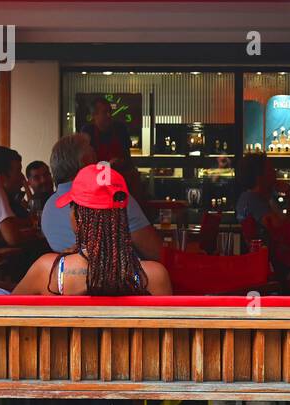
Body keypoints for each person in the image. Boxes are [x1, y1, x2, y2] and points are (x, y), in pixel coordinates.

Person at [13, 163, 171, 297]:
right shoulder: (154, 276)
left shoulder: (49, 271)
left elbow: (4, 311)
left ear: (79, 217)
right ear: (122, 216)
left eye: (71, 207)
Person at [41, 133, 163, 261]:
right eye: (94, 152)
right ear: (86, 161)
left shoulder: (49, 207)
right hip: (125, 278)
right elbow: (156, 253)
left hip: (69, 278)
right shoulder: (113, 196)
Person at [80, 97, 132, 164]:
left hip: (118, 171)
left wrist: (120, 161)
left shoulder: (121, 129)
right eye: (104, 112)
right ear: (94, 115)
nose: (109, 115)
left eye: (110, 111)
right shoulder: (87, 132)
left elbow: (127, 157)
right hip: (95, 172)